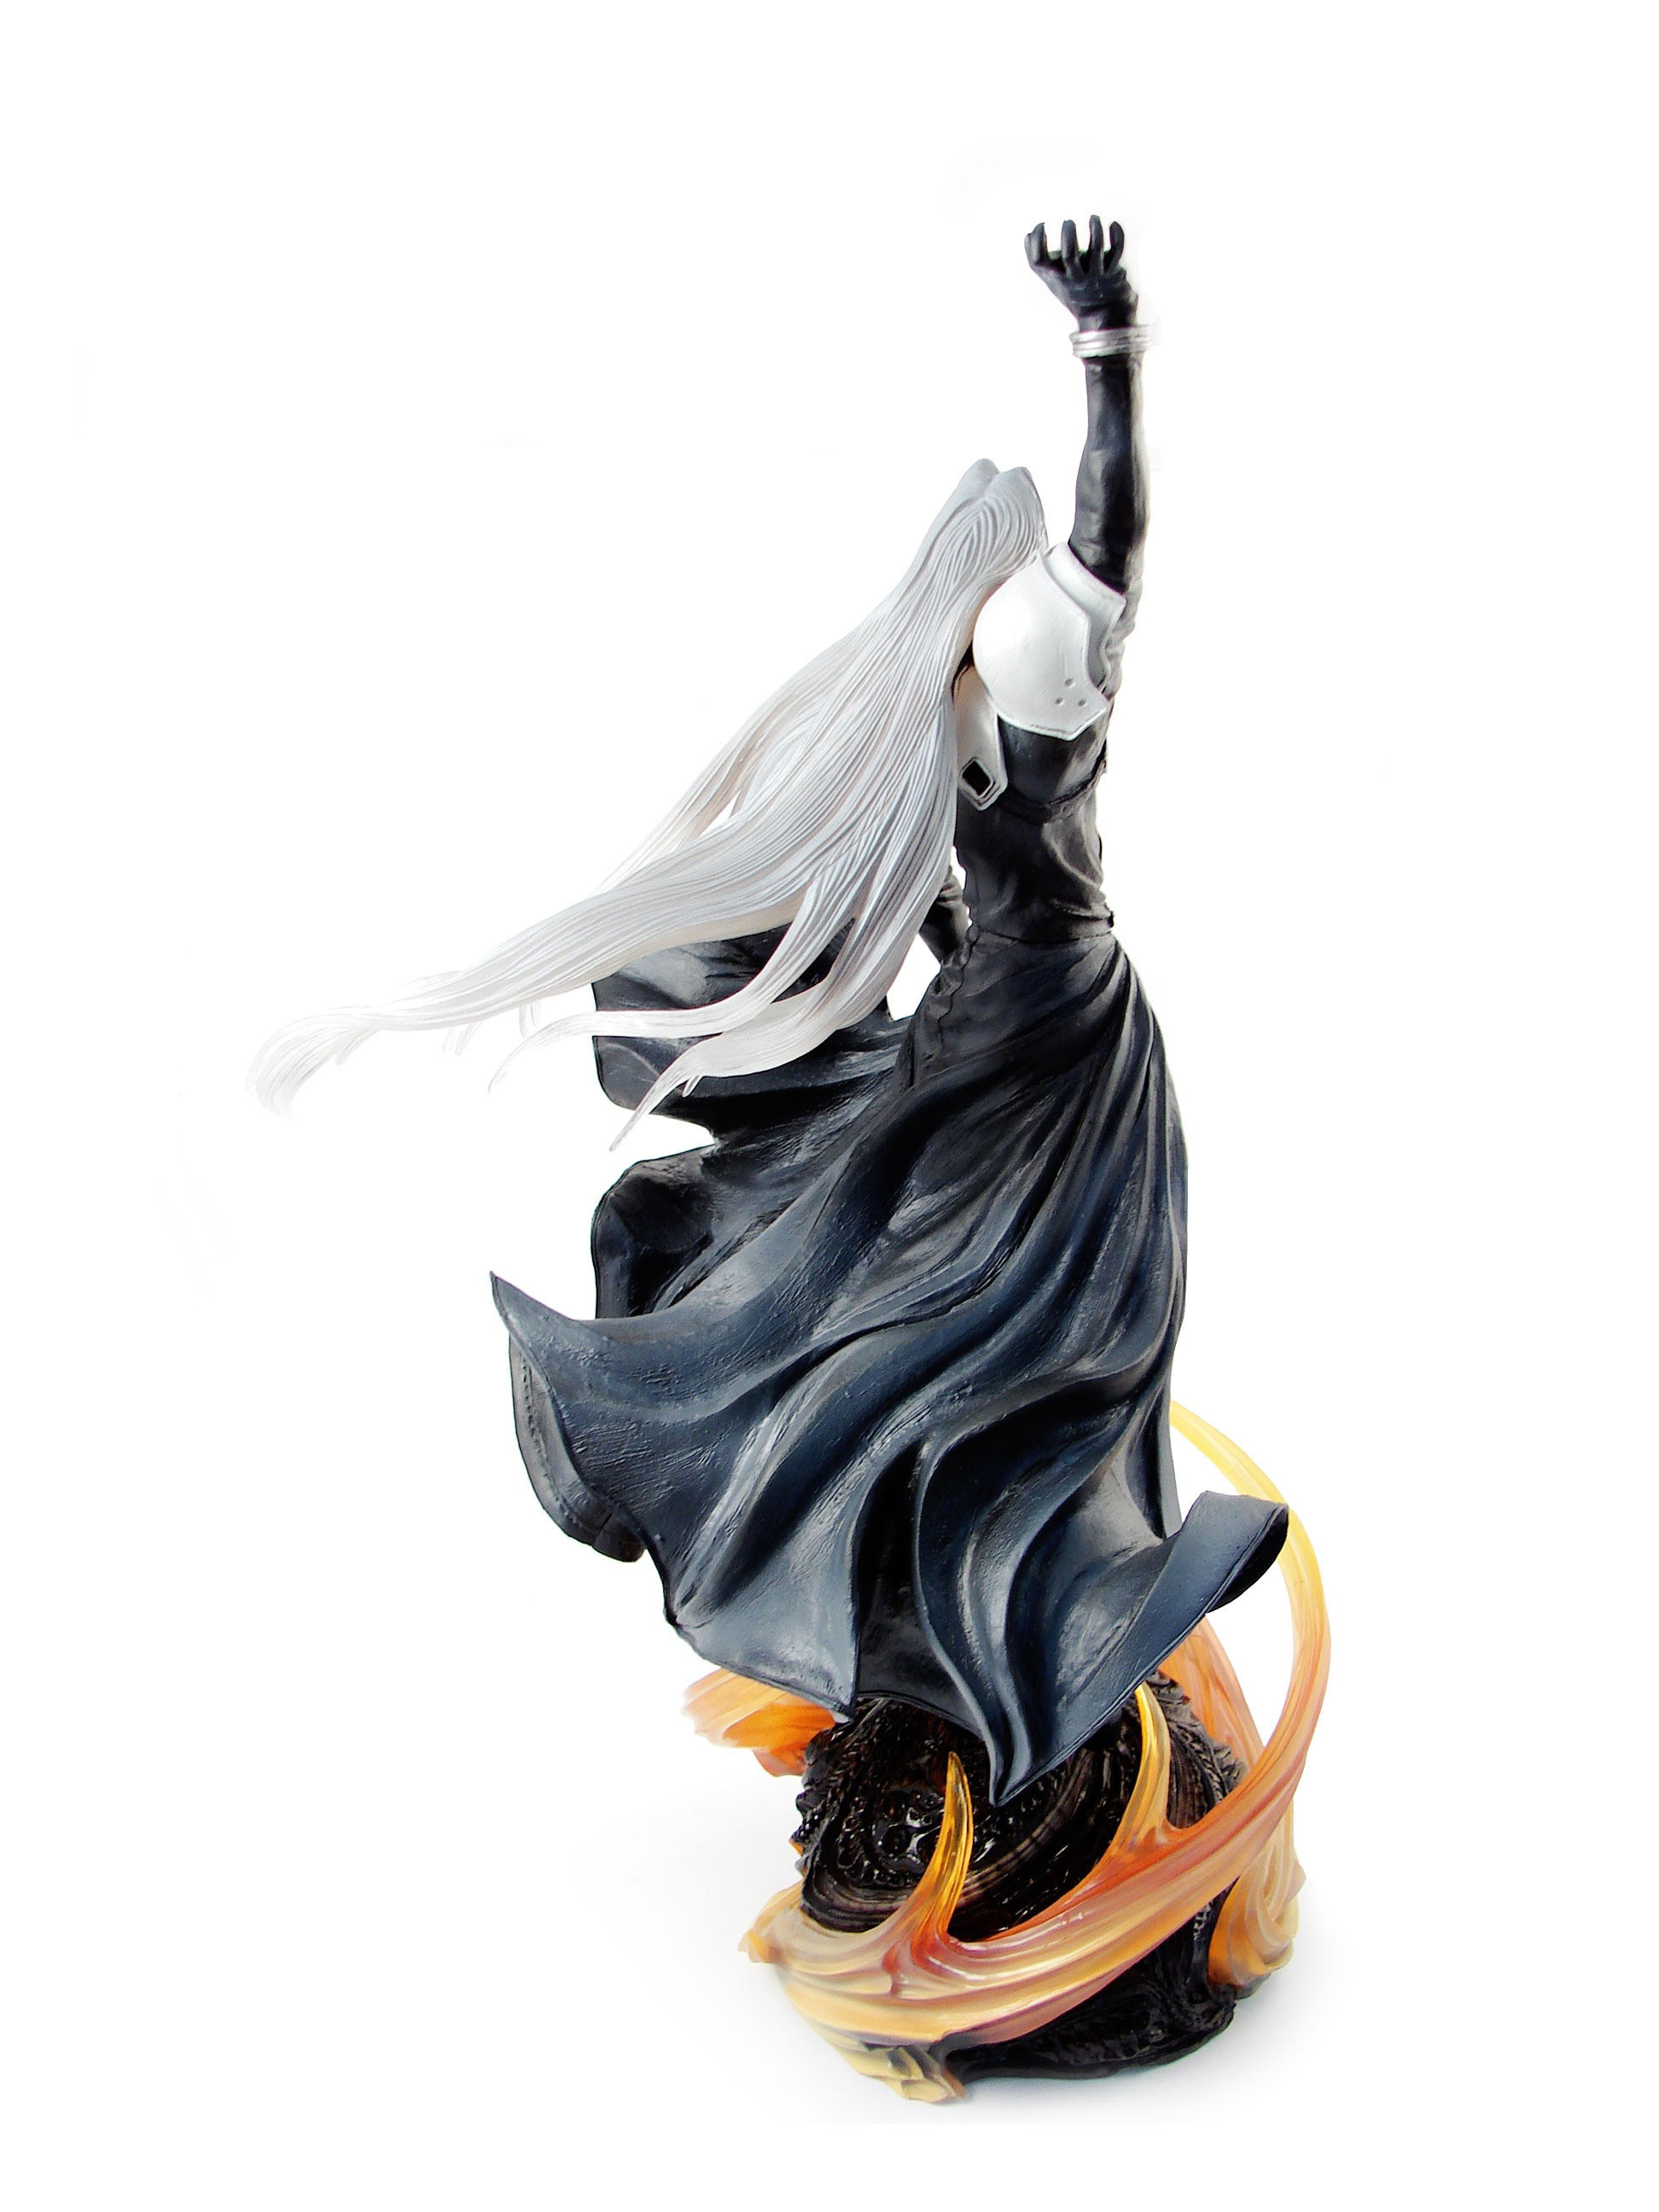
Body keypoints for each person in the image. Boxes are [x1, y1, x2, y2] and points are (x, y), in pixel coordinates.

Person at [254, 219, 1287, 1806]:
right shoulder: (990, 678)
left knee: (1024, 1325)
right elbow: (1038, 731)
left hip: (1044, 1036)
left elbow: (1106, 548)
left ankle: (1004, 1617)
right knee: (962, 1311)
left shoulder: (1006, 665)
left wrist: (1109, 348)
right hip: (1031, 1025)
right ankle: (946, 1603)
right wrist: (1104, 345)